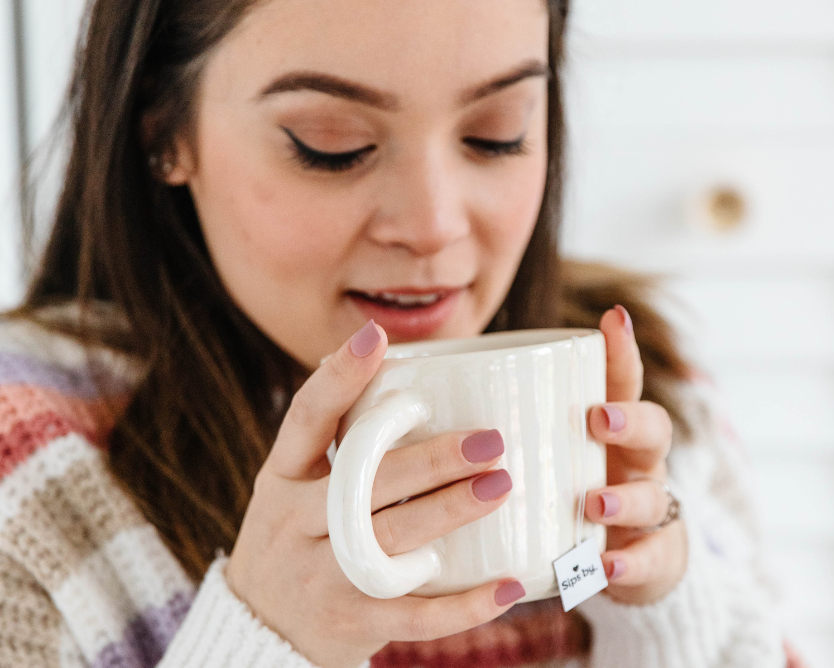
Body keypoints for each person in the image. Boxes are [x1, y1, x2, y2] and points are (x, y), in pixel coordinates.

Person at [0, 1, 791, 666]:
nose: (434, 227)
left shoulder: (648, 400)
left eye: (497, 133)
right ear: (165, 133)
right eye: (332, 146)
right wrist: (258, 637)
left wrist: (660, 609)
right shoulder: (30, 471)